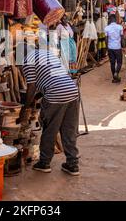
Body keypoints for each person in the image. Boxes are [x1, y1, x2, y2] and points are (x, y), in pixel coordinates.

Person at [18, 44, 80, 176]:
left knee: (49, 129)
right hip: (72, 91)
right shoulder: (47, 54)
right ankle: (72, 164)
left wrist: (26, 107)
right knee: (69, 129)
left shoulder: (27, 61)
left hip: (55, 94)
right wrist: (37, 97)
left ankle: (44, 162)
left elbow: (31, 86)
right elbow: (51, 79)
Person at [105, 14, 124, 83]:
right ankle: (116, 73)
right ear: (115, 19)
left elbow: (106, 39)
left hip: (110, 48)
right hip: (118, 47)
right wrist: (123, 47)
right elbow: (122, 38)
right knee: (119, 62)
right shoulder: (120, 27)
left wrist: (107, 48)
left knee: (112, 63)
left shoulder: (107, 28)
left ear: (110, 20)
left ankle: (114, 77)